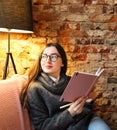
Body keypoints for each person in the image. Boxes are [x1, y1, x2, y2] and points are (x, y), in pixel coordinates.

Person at [20, 43, 110, 130]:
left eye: (53, 57)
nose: (48, 60)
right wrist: (70, 113)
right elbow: (42, 126)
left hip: (86, 119)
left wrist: (88, 101)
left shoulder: (72, 80)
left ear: (62, 62)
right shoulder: (35, 88)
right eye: (44, 56)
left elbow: (85, 108)